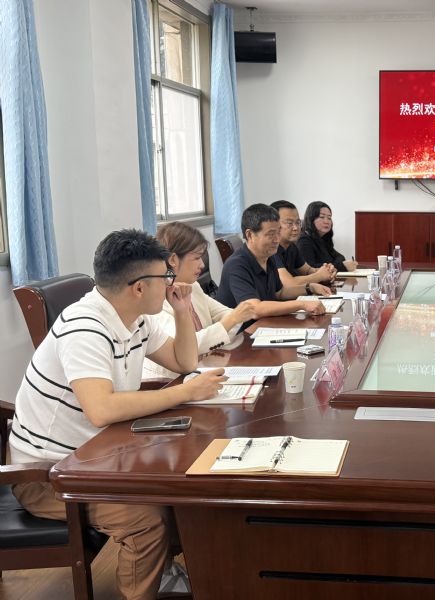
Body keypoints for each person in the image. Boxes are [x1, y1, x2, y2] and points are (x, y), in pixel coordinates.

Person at [10, 229, 227, 600]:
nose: (171, 282)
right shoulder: (85, 327)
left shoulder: (134, 318)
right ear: (139, 287)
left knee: (184, 491)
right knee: (145, 519)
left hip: (97, 456)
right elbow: (102, 409)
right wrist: (185, 392)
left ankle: (163, 574)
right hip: (49, 474)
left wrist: (180, 310)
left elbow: (184, 361)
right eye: (165, 276)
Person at [142, 221, 259, 379]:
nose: (202, 265)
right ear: (173, 259)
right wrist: (230, 321)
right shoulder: (156, 301)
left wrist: (231, 320)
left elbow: (230, 316)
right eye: (197, 258)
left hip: (203, 370)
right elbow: (186, 347)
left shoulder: (193, 287)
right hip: (170, 381)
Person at [216, 204, 326, 327]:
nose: (277, 239)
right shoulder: (236, 265)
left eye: (278, 232)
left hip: (264, 325)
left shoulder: (269, 257)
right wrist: (302, 304)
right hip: (240, 333)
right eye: (271, 234)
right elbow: (254, 309)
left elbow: (280, 293)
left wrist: (310, 288)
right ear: (250, 235)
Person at [270, 200, 338, 287]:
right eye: (289, 223)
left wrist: (327, 271)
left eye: (298, 222)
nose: (295, 228)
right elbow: (289, 283)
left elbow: (307, 270)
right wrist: (319, 276)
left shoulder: (291, 247)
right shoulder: (271, 249)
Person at [296, 201, 357, 273]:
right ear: (311, 219)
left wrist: (337, 265)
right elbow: (309, 269)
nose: (327, 221)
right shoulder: (304, 241)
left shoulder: (323, 238)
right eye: (322, 217)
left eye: (329, 218)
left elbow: (340, 257)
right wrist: (341, 266)